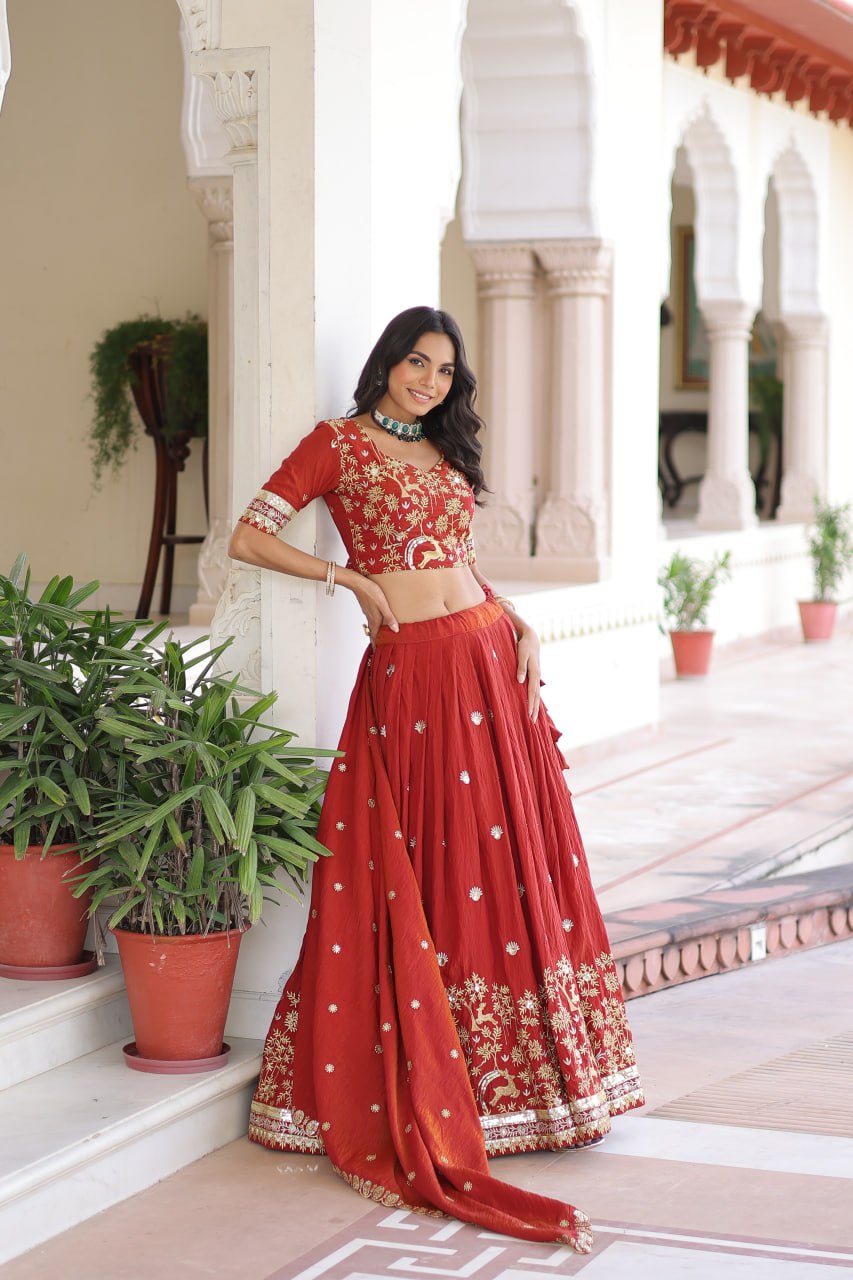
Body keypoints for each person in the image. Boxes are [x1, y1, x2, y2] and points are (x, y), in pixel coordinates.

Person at [229, 306, 643, 1253]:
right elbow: (249, 537)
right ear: (385, 363)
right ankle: (435, 1073)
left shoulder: (445, 454)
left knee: (503, 872)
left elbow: (458, 561)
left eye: (444, 369)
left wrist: (519, 620)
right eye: (415, 361)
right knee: (424, 869)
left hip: (488, 662)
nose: (427, 379)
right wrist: (350, 583)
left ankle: (530, 1091)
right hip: (413, 679)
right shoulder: (336, 445)